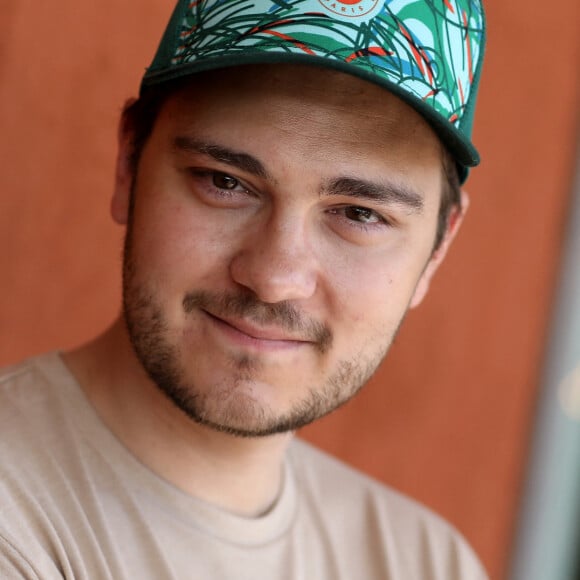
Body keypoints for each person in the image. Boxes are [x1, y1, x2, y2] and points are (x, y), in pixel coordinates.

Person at [0, 0, 489, 578]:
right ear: (129, 164)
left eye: (359, 214)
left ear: (438, 247)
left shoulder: (429, 562)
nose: (275, 278)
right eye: (225, 182)